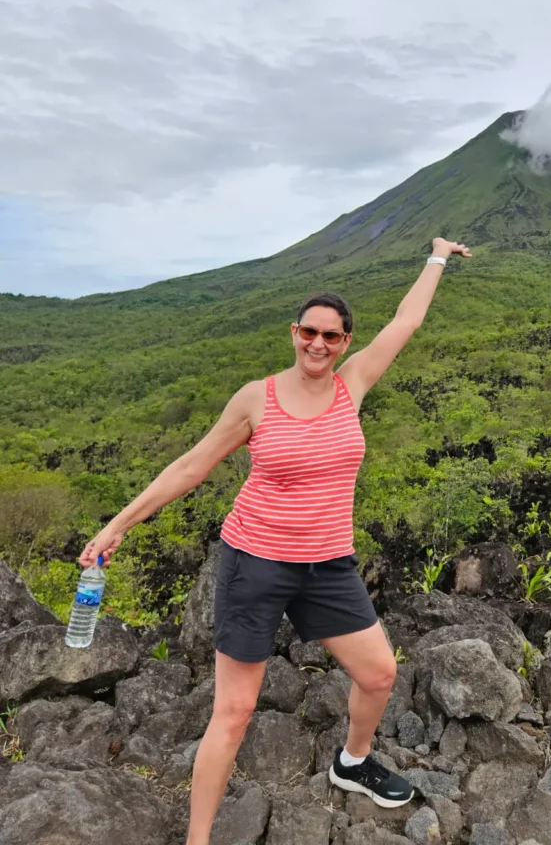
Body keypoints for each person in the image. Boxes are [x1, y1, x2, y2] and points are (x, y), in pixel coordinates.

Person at [79, 236, 472, 845]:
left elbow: (407, 320)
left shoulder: (354, 384)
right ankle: (198, 838)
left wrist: (437, 257)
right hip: (255, 565)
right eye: (309, 332)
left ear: (345, 342)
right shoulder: (256, 399)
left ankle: (352, 761)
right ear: (294, 332)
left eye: (332, 336)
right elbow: (191, 466)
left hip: (328, 565)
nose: (319, 344)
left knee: (378, 674)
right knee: (233, 713)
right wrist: (117, 525)